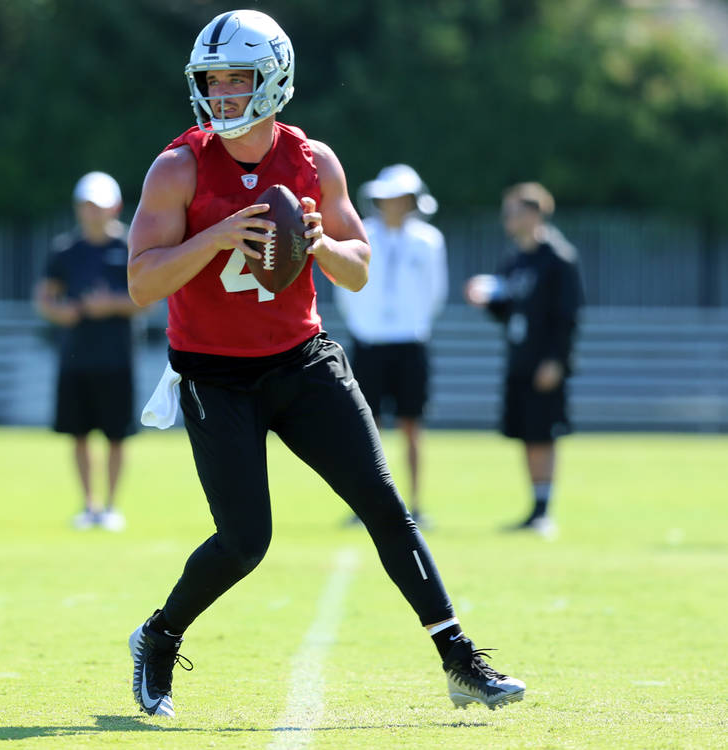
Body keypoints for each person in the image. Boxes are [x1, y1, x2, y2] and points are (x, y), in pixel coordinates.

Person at [125, 9, 524, 718]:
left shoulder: (312, 161)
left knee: (387, 508)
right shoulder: (178, 166)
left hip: (302, 363)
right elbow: (141, 282)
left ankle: (459, 659)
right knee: (245, 542)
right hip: (214, 375)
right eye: (211, 82)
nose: (220, 95)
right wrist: (218, 234)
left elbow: (359, 268)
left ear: (272, 79)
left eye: (235, 80)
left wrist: (318, 245)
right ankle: (159, 636)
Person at [464, 182, 583, 538]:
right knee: (527, 434)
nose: (508, 219)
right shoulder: (515, 259)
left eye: (513, 211)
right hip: (519, 358)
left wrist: (557, 361)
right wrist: (486, 300)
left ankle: (544, 510)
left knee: (544, 435)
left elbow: (568, 316)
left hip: (544, 362)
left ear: (532, 214)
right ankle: (534, 508)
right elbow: (509, 309)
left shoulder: (559, 258)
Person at [335, 164, 447, 529]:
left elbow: (435, 293)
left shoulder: (428, 240)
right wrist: (365, 325)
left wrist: (410, 324)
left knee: (412, 424)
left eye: (399, 198)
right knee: (367, 426)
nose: (392, 204)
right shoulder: (363, 234)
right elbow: (345, 286)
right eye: (387, 198)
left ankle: (414, 503)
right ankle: (368, 503)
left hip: (410, 343)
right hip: (369, 341)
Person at [34, 171, 141, 532]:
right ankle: (88, 505)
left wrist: (112, 305)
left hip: (117, 358)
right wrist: (59, 311)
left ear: (114, 206)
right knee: (78, 434)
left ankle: (111, 507)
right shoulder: (65, 250)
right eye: (86, 206)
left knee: (115, 436)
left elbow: (149, 297)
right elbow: (45, 296)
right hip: (75, 357)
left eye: (98, 205)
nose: (91, 213)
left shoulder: (130, 245)